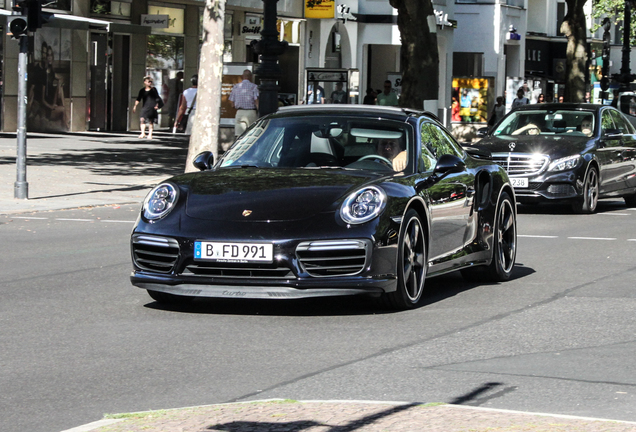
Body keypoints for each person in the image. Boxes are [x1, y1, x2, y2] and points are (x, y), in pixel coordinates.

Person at [229, 69, 259, 137]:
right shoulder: (254, 86)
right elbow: (256, 100)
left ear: (242, 76)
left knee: (239, 136)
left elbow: (232, 103)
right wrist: (258, 110)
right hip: (251, 112)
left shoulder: (236, 87)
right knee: (252, 135)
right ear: (251, 77)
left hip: (240, 112)